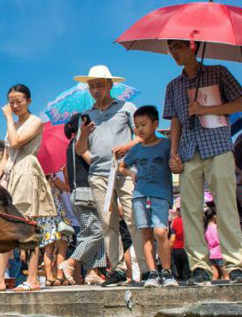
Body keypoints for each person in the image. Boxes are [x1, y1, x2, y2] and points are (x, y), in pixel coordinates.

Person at [164, 39, 242, 286]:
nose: (174, 53)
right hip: (189, 150)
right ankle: (199, 266)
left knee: (226, 207)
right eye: (170, 49)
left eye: (178, 46)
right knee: (189, 210)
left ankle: (234, 266)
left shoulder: (218, 72)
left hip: (218, 145)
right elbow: (175, 120)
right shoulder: (173, 86)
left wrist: (204, 109)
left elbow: (239, 104)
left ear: (193, 46)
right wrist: (173, 152)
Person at [74, 65, 145, 287]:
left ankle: (145, 268)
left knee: (134, 219)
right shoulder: (86, 115)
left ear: (111, 85)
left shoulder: (127, 108)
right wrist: (86, 143)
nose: (95, 89)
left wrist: (127, 148)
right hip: (98, 175)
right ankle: (118, 269)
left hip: (125, 171)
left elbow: (143, 135)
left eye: (99, 85)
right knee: (107, 222)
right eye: (92, 86)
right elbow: (79, 149)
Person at [0, 84, 55, 292]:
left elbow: (14, 143)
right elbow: (6, 155)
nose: (14, 106)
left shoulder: (35, 122)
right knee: (3, 227)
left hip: (26, 171)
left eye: (18, 101)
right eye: (11, 102)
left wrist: (7, 119)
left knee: (27, 225)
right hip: (11, 174)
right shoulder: (13, 125)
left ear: (29, 101)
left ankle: (32, 279)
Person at [118, 105, 178, 288]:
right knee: (145, 233)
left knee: (161, 231)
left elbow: (175, 160)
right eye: (136, 126)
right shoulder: (136, 149)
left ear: (155, 124)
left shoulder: (166, 145)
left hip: (160, 193)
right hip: (139, 194)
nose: (140, 129)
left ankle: (167, 272)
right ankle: (152, 273)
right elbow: (121, 166)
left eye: (143, 124)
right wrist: (131, 175)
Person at [59, 114, 107, 286]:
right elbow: (95, 164)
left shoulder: (70, 145)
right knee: (97, 231)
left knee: (94, 231)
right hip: (85, 193)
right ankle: (71, 262)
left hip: (78, 194)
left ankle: (92, 271)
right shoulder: (81, 143)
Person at [170, 200, 191, 282]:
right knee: (187, 271)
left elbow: (172, 238)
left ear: (178, 211)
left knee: (178, 272)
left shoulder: (175, 221)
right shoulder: (189, 220)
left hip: (176, 249)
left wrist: (169, 249)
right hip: (186, 249)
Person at [204, 208, 228, 280]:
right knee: (226, 275)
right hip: (219, 253)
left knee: (215, 275)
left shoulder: (205, 228)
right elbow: (219, 240)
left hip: (210, 254)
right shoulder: (217, 228)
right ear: (214, 216)